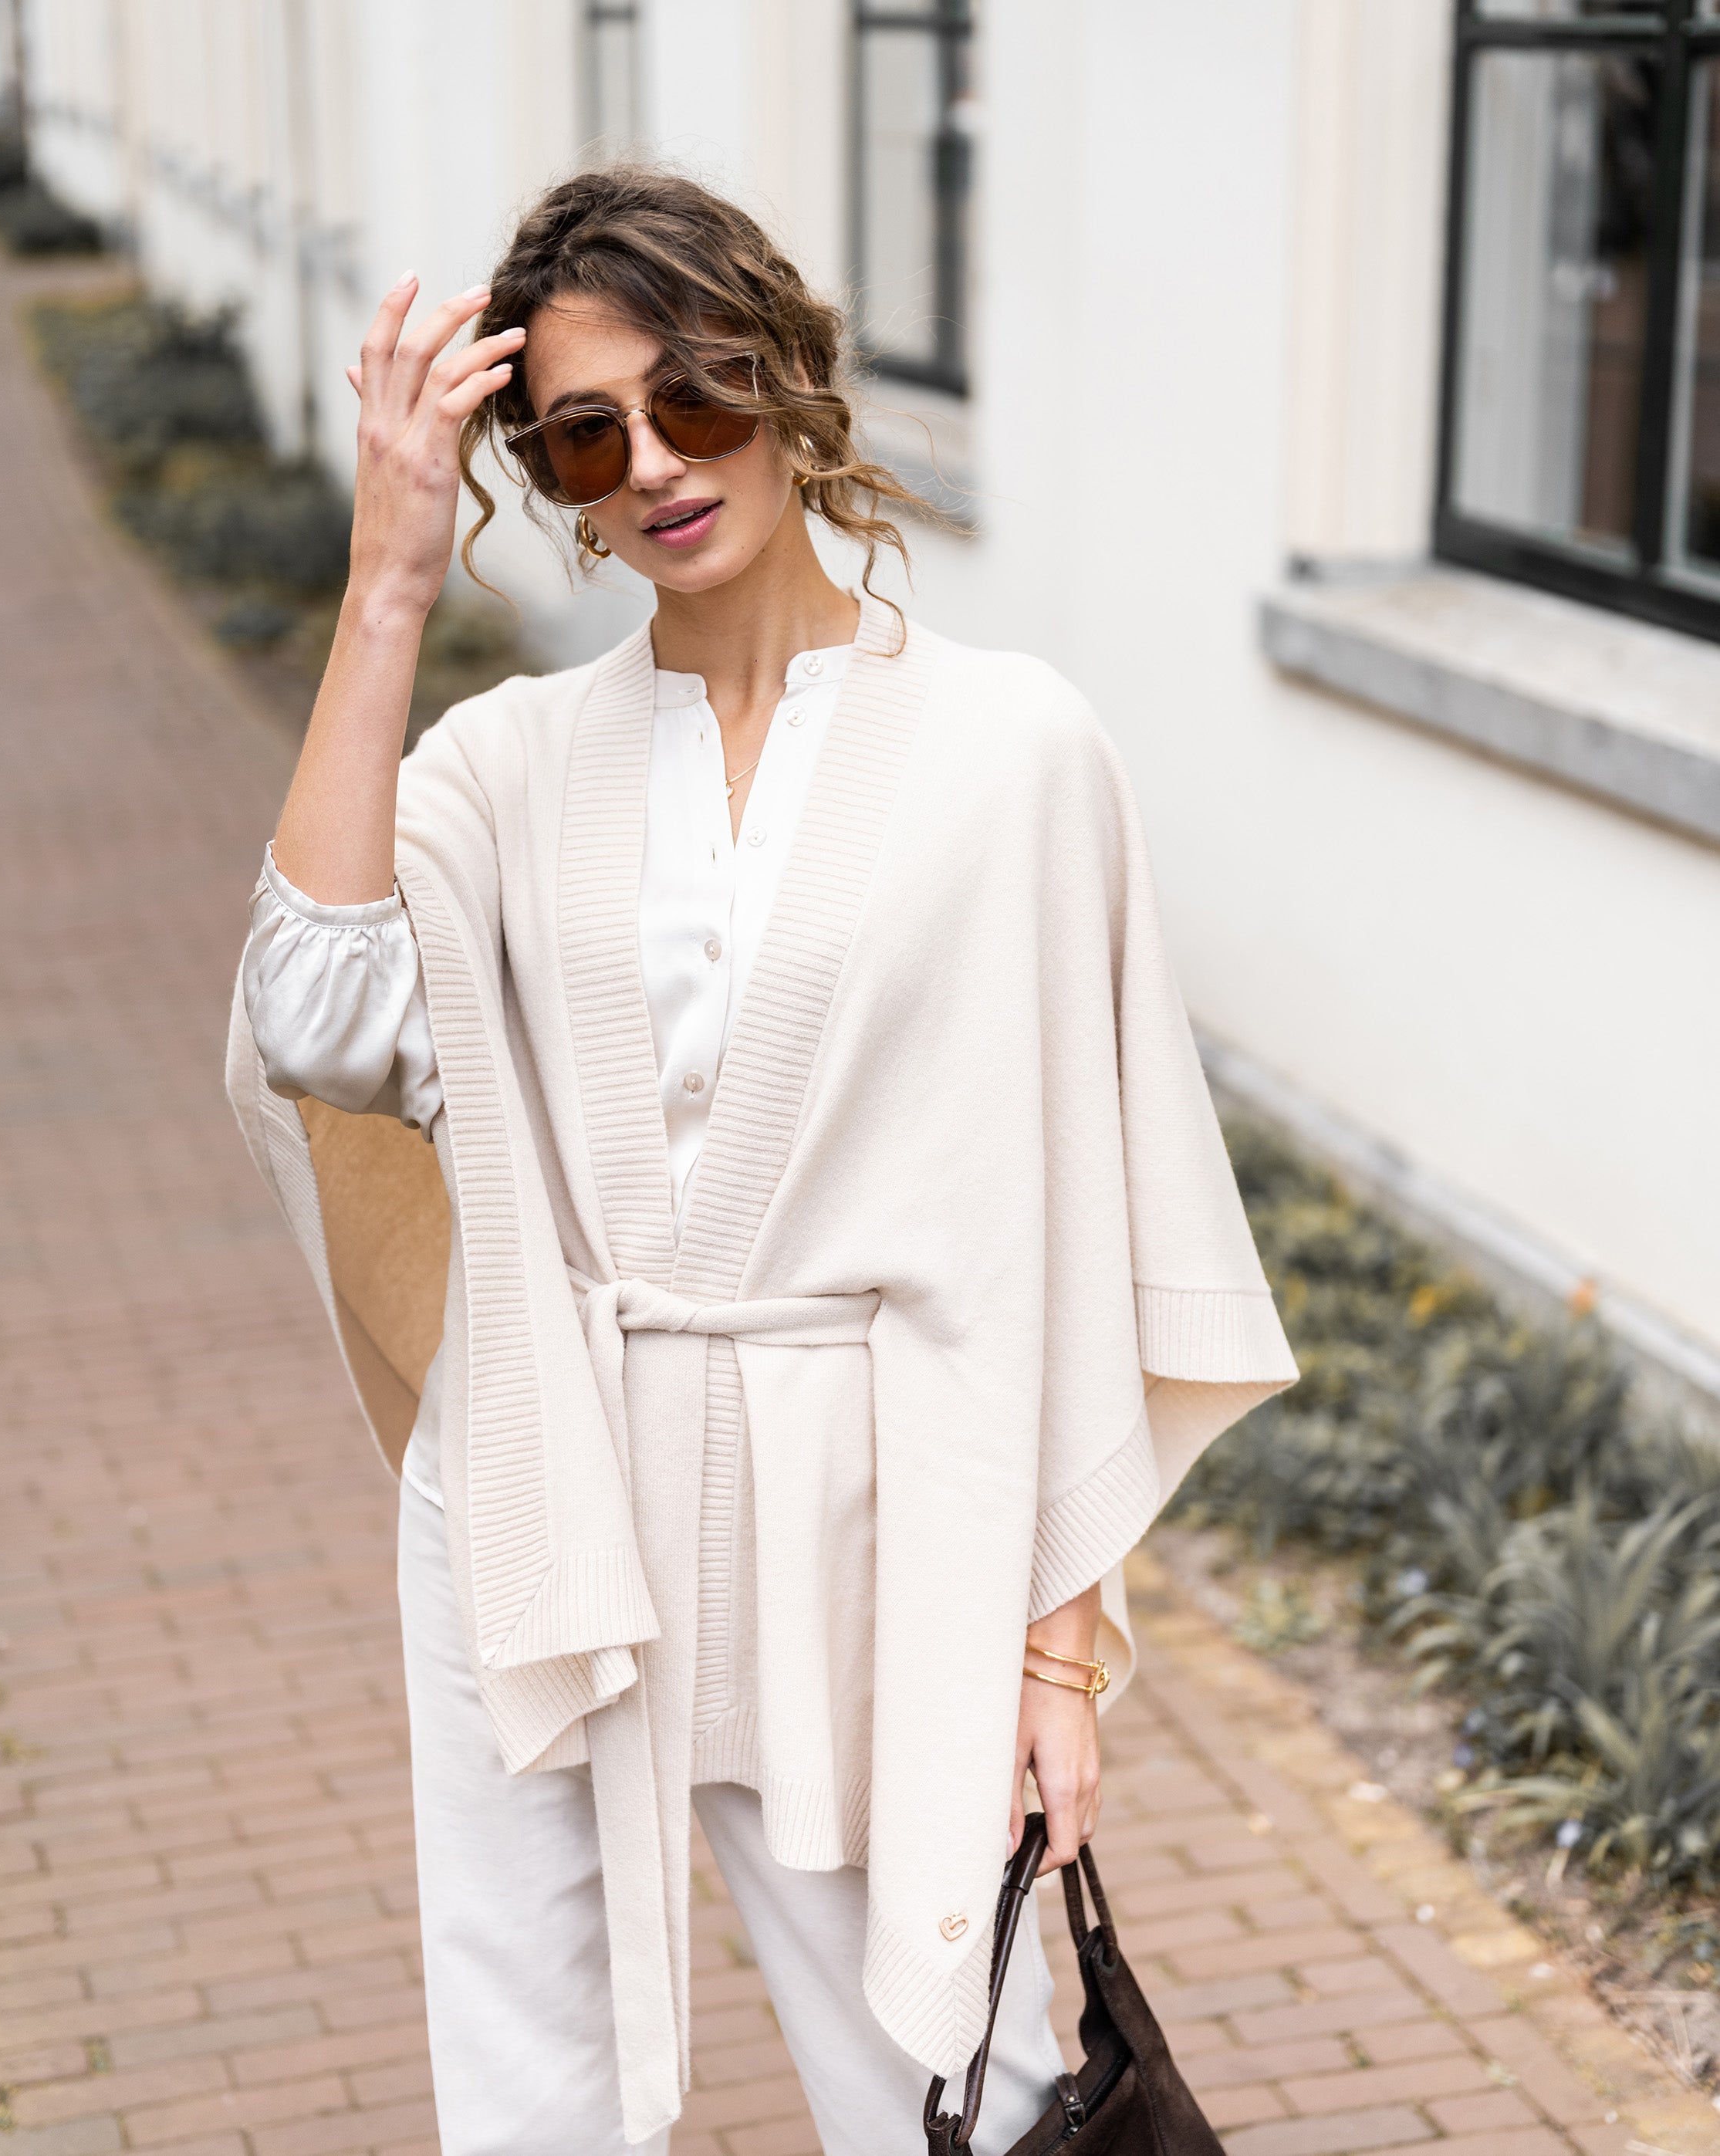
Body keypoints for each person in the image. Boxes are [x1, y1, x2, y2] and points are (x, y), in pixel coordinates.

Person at [228, 167, 1296, 2156]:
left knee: (950, 2089)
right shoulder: (499, 766)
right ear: (542, 476)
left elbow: (1076, 1218)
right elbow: (314, 1015)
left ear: (787, 373)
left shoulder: (1014, 753)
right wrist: (386, 585)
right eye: (585, 435)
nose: (655, 466)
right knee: (531, 2086)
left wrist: (1058, 1657)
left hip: (869, 1513)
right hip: (544, 1473)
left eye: (697, 397)